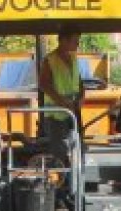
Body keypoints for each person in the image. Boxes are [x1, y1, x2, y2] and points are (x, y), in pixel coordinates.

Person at [38, 28, 84, 164]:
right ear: (63, 41)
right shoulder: (50, 60)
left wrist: (81, 97)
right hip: (56, 115)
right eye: (75, 41)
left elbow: (79, 81)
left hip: (73, 111)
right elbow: (44, 84)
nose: (78, 45)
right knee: (59, 150)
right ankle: (61, 180)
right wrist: (62, 102)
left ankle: (76, 177)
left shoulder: (74, 58)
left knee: (77, 146)